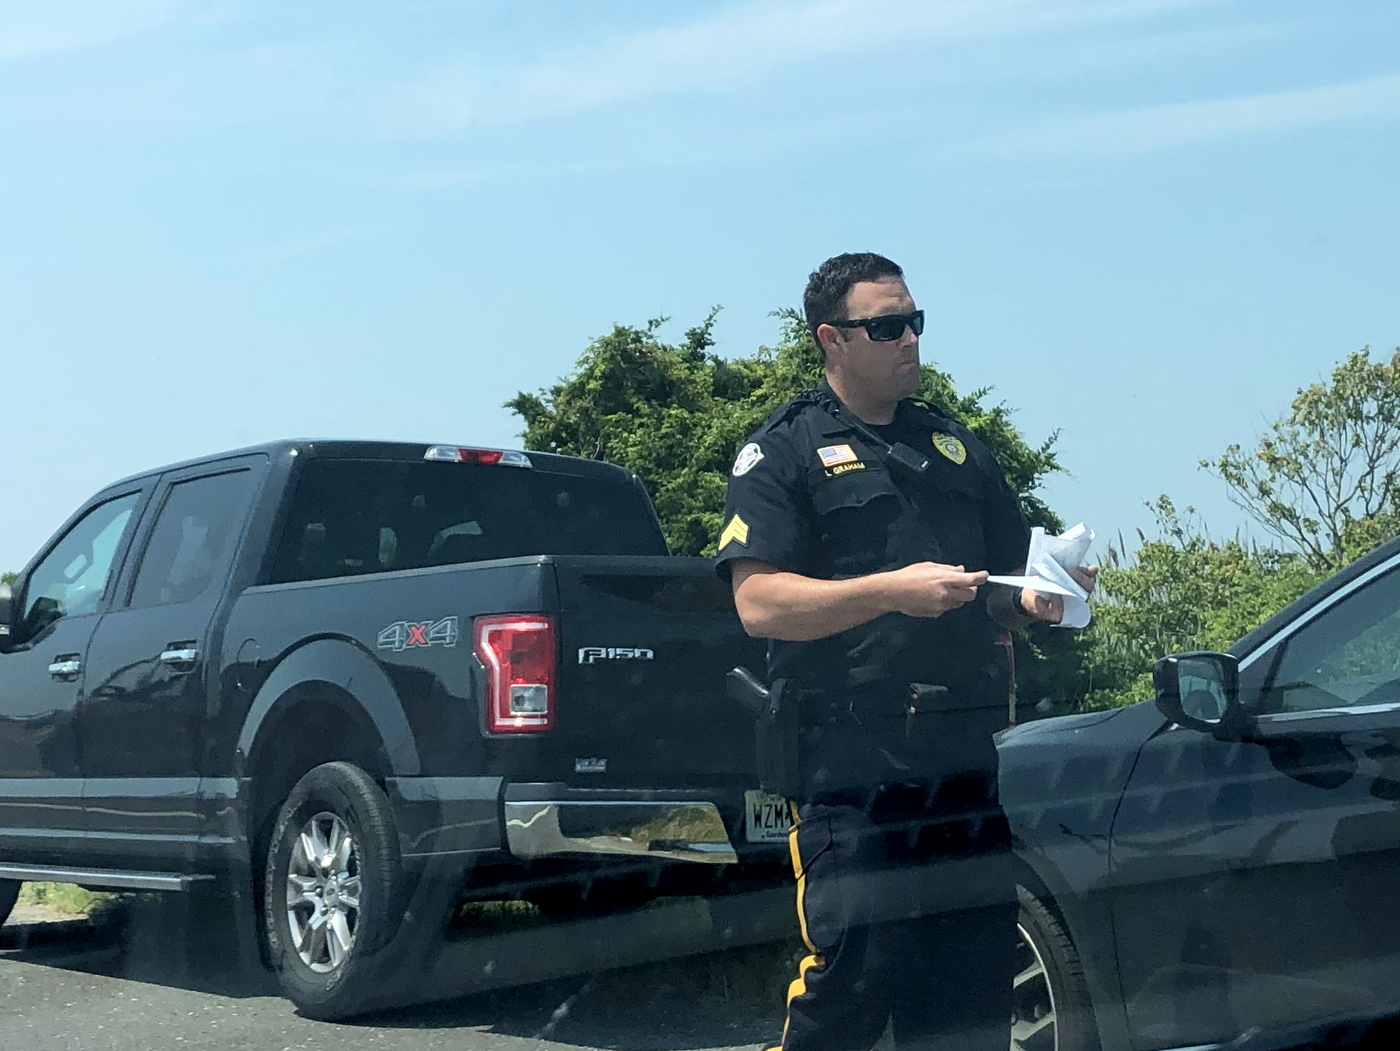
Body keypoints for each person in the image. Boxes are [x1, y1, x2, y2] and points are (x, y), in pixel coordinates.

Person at [716, 252, 1096, 1051]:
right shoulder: (785, 452)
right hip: (850, 761)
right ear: (832, 339)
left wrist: (1038, 598)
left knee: (967, 991)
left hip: (959, 758)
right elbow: (757, 604)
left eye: (914, 322)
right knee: (857, 968)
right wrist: (890, 589)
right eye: (885, 326)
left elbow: (999, 582)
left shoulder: (958, 451)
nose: (908, 340)